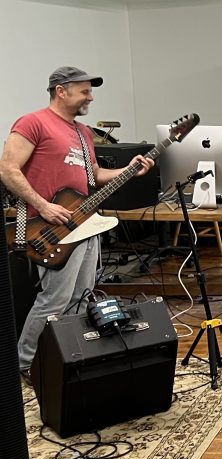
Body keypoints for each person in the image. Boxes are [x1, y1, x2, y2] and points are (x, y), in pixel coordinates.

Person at [0, 66, 154, 379]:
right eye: (84, 91)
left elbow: (94, 176)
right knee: (54, 299)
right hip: (49, 228)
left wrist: (129, 170)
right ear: (61, 90)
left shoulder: (83, 133)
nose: (90, 97)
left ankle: (66, 357)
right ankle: (24, 363)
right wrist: (43, 206)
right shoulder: (33, 123)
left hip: (84, 224)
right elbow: (7, 169)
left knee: (82, 296)